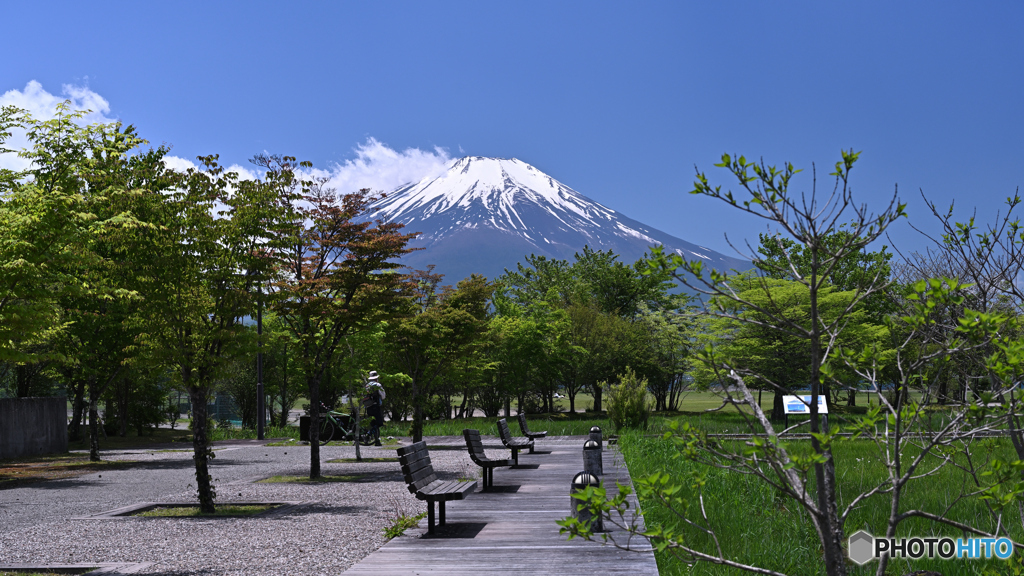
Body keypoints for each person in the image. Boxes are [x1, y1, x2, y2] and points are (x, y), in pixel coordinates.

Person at [363, 371, 385, 446]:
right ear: (376, 378)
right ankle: (368, 435)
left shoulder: (367, 385)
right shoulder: (377, 385)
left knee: (373, 423)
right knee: (379, 423)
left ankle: (376, 441)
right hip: (376, 406)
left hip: (368, 407)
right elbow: (383, 396)